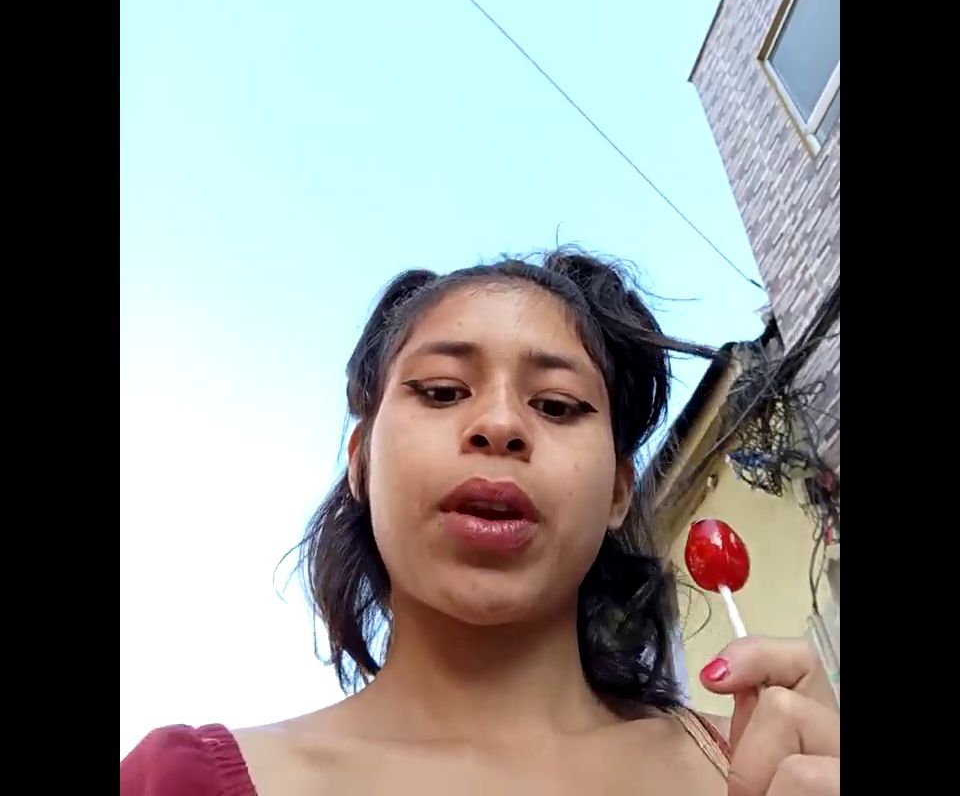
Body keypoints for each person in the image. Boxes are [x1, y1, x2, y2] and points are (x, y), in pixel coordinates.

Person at [120, 251, 840, 795]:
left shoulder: (766, 773)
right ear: (361, 462)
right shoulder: (177, 783)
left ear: (619, 492)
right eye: (442, 391)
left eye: (556, 405)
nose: (500, 424)